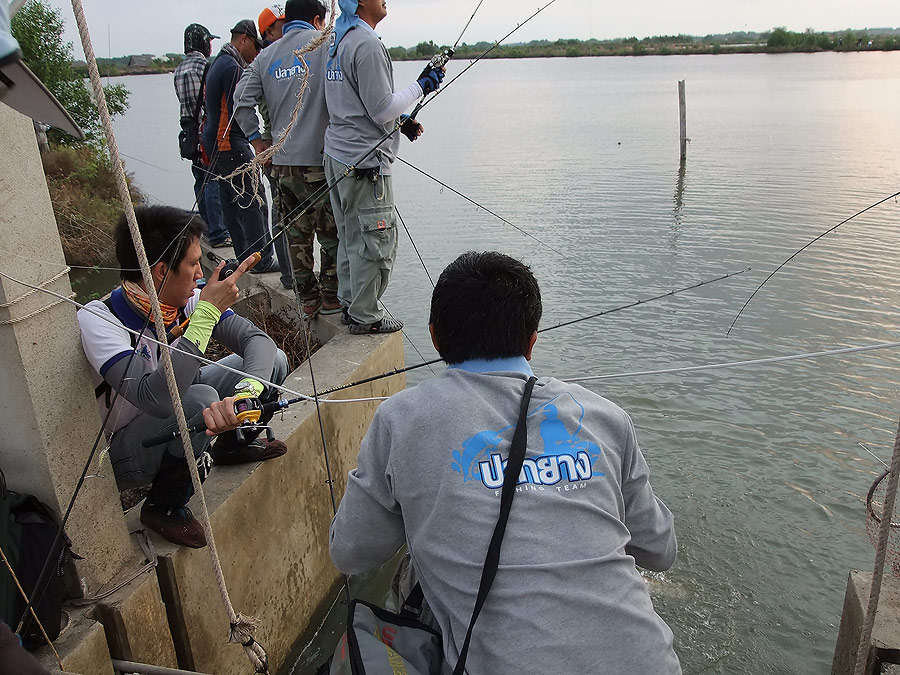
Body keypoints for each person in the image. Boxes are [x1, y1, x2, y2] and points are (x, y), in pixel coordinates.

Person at [330, 251, 682, 674]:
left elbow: (350, 552)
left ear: (435, 337)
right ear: (532, 342)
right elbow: (660, 551)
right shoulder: (606, 417)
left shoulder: (400, 419)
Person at [77, 206, 289, 548]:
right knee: (199, 399)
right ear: (161, 271)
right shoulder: (100, 320)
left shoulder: (185, 300)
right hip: (124, 451)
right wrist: (206, 316)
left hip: (170, 415)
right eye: (193, 263)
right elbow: (156, 399)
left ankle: (232, 447)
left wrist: (247, 391)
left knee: (273, 364)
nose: (199, 273)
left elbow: (258, 343)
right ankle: (164, 504)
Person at [323, 0, 444, 334]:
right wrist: (424, 84)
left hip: (338, 156)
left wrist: (399, 120)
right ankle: (366, 317)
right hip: (365, 165)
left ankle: (351, 305)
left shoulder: (339, 40)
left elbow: (354, 102)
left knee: (350, 238)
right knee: (376, 244)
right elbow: (379, 109)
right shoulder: (366, 44)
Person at [235, 0, 339, 316]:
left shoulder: (266, 56)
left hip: (281, 164)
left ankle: (307, 301)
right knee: (332, 234)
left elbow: (240, 99)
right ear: (318, 20)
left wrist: (258, 141)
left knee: (295, 235)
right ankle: (333, 297)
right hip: (321, 160)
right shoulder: (325, 46)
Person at [202, 20, 279, 274]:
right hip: (230, 141)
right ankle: (261, 259)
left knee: (231, 200)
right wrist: (257, 139)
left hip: (213, 141)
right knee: (254, 199)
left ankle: (243, 255)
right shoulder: (233, 69)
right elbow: (241, 106)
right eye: (254, 47)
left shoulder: (216, 63)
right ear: (243, 39)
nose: (256, 53)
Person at [172, 23, 230, 249]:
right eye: (209, 42)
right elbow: (209, 104)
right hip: (206, 133)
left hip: (189, 135)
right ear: (203, 42)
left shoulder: (179, 69)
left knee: (200, 181)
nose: (210, 46)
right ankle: (219, 233)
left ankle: (206, 228)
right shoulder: (205, 68)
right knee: (214, 181)